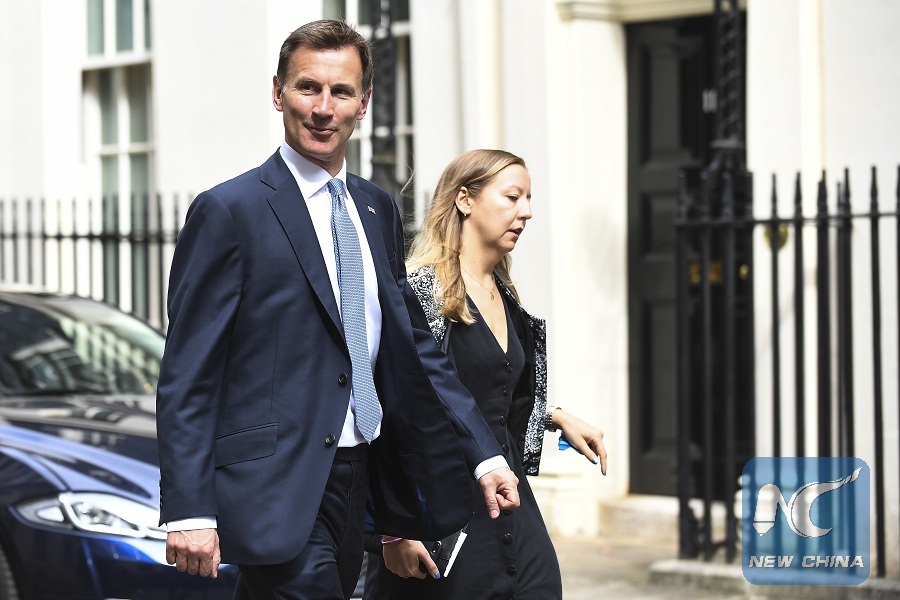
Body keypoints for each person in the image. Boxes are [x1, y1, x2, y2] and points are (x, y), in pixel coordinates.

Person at [155, 21, 520, 600]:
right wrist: (189, 508)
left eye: (341, 92)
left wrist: (483, 456)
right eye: (308, 88)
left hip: (363, 476)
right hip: (274, 484)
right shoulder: (230, 211)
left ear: (363, 104)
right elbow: (188, 372)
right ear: (278, 93)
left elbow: (415, 349)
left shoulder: (375, 208)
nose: (323, 108)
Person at [363, 149, 608, 599]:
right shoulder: (422, 290)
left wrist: (553, 416)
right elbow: (389, 406)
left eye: (529, 199)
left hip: (510, 504)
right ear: (465, 200)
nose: (526, 212)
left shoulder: (505, 295)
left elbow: (488, 394)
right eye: (513, 197)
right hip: (442, 518)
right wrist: (394, 532)